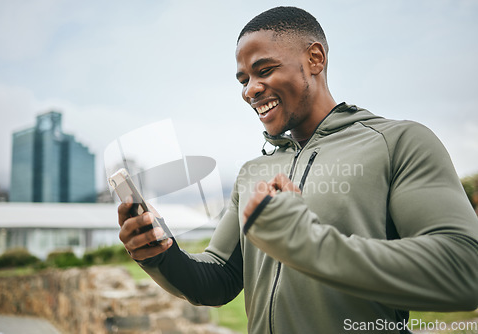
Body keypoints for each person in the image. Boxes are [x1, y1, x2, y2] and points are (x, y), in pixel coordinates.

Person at [118, 6, 478, 334]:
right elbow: (219, 278)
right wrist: (160, 254)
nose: (250, 90)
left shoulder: (398, 143)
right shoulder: (251, 172)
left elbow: (465, 271)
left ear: (315, 58)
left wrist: (302, 238)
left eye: (264, 70)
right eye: (243, 80)